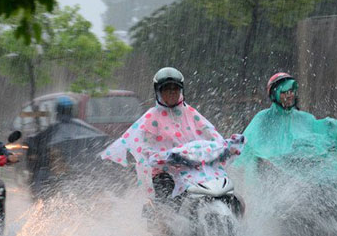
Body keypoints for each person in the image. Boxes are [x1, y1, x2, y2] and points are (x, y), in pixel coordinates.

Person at [101, 67, 241, 201]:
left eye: (175, 89)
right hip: (165, 171)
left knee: (229, 195)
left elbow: (210, 131)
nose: (172, 93)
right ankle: (166, 224)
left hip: (193, 166)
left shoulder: (189, 112)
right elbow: (145, 149)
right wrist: (165, 157)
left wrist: (225, 146)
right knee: (169, 199)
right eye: (167, 89)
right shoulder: (151, 117)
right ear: (158, 92)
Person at [235, 72, 337, 186]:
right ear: (274, 95)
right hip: (275, 172)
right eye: (284, 92)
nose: (289, 95)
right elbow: (247, 144)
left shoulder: (304, 118)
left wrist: (331, 127)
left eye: (291, 91)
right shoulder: (264, 118)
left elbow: (319, 134)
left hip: (301, 167)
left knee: (335, 178)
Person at [25, 95, 108, 196]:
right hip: (80, 175)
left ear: (57, 111)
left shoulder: (52, 131)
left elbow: (34, 144)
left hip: (56, 178)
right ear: (72, 110)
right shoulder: (84, 129)